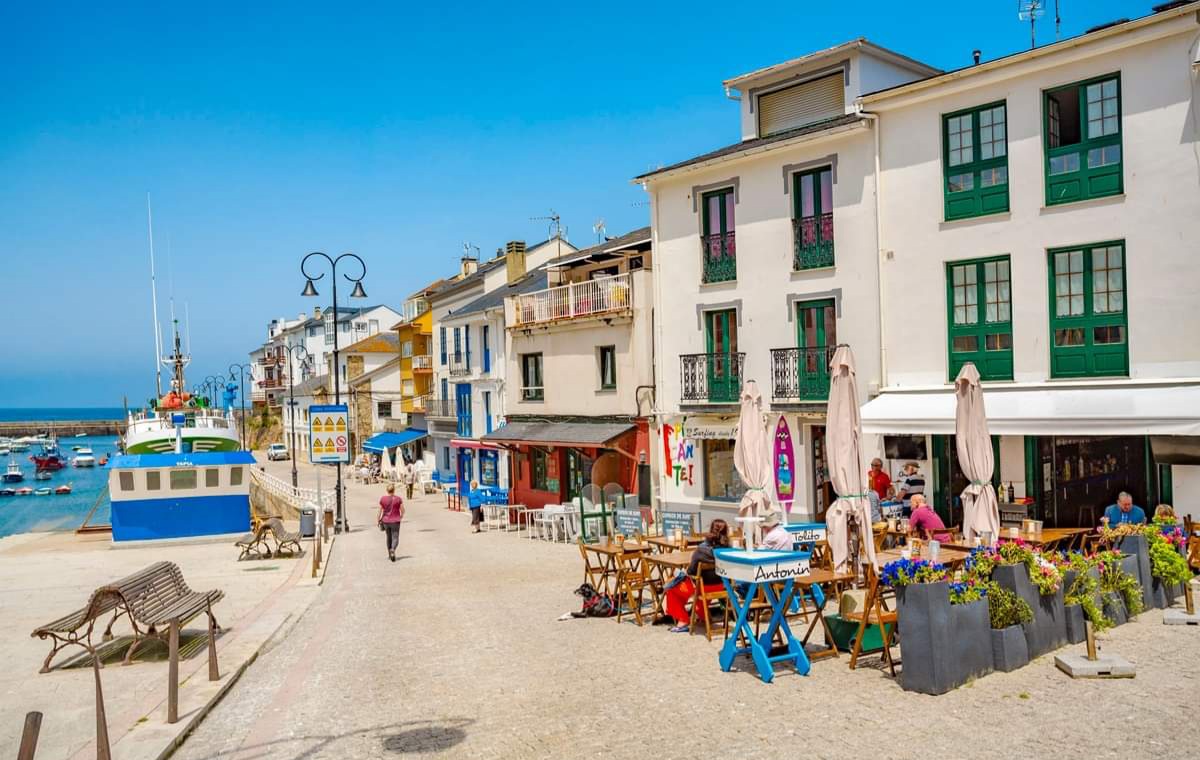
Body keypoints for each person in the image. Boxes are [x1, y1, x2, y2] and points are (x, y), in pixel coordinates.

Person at [664, 519, 731, 633]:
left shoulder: (701, 550)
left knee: (671, 590)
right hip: (722, 586)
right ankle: (703, 616)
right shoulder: (728, 550)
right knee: (700, 592)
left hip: (702, 587)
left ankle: (683, 621)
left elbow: (691, 571)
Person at [377, 484, 405, 562]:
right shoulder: (398, 499)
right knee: (395, 537)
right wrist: (401, 516)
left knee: (388, 537)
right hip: (395, 521)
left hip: (385, 521)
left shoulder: (383, 499)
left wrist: (378, 520)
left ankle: (389, 554)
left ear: (387, 490)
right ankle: (393, 549)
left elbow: (380, 511)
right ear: (394, 490)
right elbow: (403, 510)